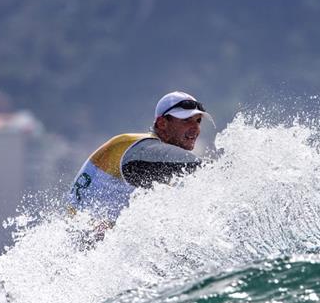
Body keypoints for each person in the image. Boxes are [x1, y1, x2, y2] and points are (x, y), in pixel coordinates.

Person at [66, 91, 212, 230]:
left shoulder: (149, 157)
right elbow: (193, 166)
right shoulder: (136, 147)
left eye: (198, 121)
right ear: (162, 123)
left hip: (81, 242)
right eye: (186, 120)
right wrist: (222, 170)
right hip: (85, 242)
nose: (195, 128)